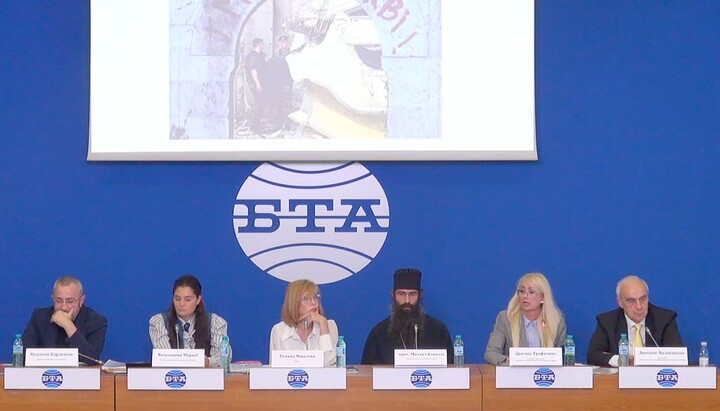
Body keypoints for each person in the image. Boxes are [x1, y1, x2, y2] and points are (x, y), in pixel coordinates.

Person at [361, 268, 453, 365]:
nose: (407, 301)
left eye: (412, 294)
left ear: (420, 294)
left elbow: (452, 370)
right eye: (401, 294)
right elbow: (366, 372)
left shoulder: (438, 330)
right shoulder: (379, 333)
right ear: (393, 295)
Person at [587, 275, 683, 367]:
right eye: (631, 301)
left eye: (643, 299)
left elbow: (677, 356)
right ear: (620, 302)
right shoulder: (608, 322)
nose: (639, 307)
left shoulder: (665, 319)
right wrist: (622, 360)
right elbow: (593, 355)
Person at [484, 272, 567, 365]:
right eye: (522, 291)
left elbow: (564, 357)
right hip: (514, 376)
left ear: (542, 297)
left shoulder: (556, 321)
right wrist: (507, 360)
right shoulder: (506, 319)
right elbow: (490, 353)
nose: (525, 296)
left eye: (531, 292)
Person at [22, 276, 108, 365]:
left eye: (70, 301)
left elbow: (91, 359)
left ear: (81, 301)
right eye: (58, 301)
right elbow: (23, 354)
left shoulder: (96, 321)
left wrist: (68, 325)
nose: (64, 307)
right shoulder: (40, 317)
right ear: (53, 298)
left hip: (80, 377)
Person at [149, 275, 231, 367]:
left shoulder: (215, 322)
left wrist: (208, 361)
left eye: (188, 299)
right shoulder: (159, 322)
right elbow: (164, 358)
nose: (181, 304)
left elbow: (224, 357)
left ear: (198, 300)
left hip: (205, 379)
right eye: (177, 299)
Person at [269, 279, 339, 367]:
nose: (313, 302)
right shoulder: (279, 330)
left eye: (315, 297)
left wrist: (323, 323)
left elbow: (328, 364)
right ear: (294, 303)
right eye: (306, 299)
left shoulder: (329, 326)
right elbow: (274, 370)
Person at [245, 37, 268, 134]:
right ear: (259, 45)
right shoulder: (254, 56)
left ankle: (256, 125)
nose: (264, 46)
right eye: (263, 44)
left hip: (259, 83)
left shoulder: (259, 55)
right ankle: (255, 128)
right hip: (256, 84)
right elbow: (253, 71)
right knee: (258, 105)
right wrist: (258, 84)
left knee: (260, 104)